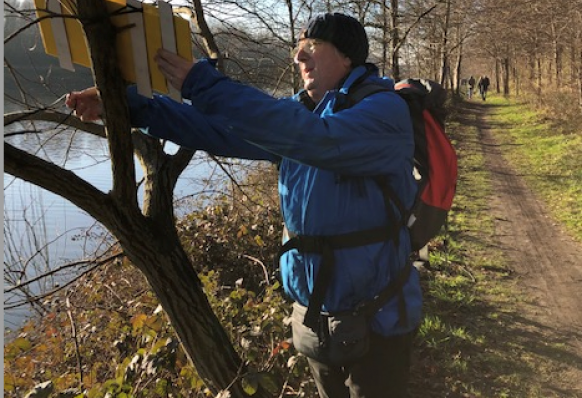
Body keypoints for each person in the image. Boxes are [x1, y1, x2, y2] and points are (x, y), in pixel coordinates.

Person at [67, 13, 422, 398]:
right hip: (316, 318)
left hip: (377, 322)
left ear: (348, 58)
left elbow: (318, 140)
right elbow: (217, 130)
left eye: (311, 49)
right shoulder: (307, 113)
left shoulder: (383, 112)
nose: (299, 58)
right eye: (297, 51)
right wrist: (126, 106)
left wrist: (202, 83)